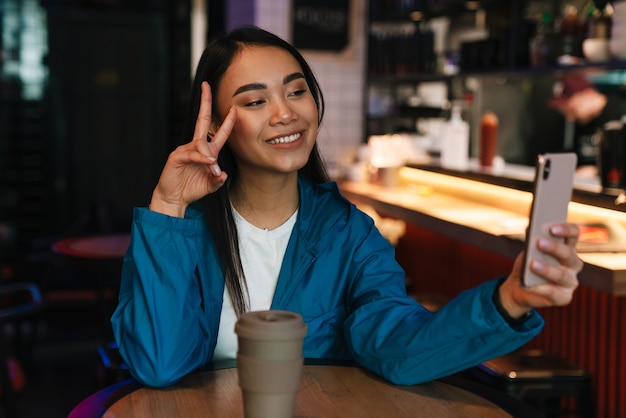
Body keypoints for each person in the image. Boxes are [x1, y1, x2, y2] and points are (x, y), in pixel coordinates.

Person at [111, 26, 582, 388]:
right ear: (216, 123)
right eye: (256, 100)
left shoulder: (349, 234)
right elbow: (158, 364)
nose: (285, 113)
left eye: (296, 91)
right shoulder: (180, 230)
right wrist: (168, 204)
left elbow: (399, 347)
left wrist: (510, 300)